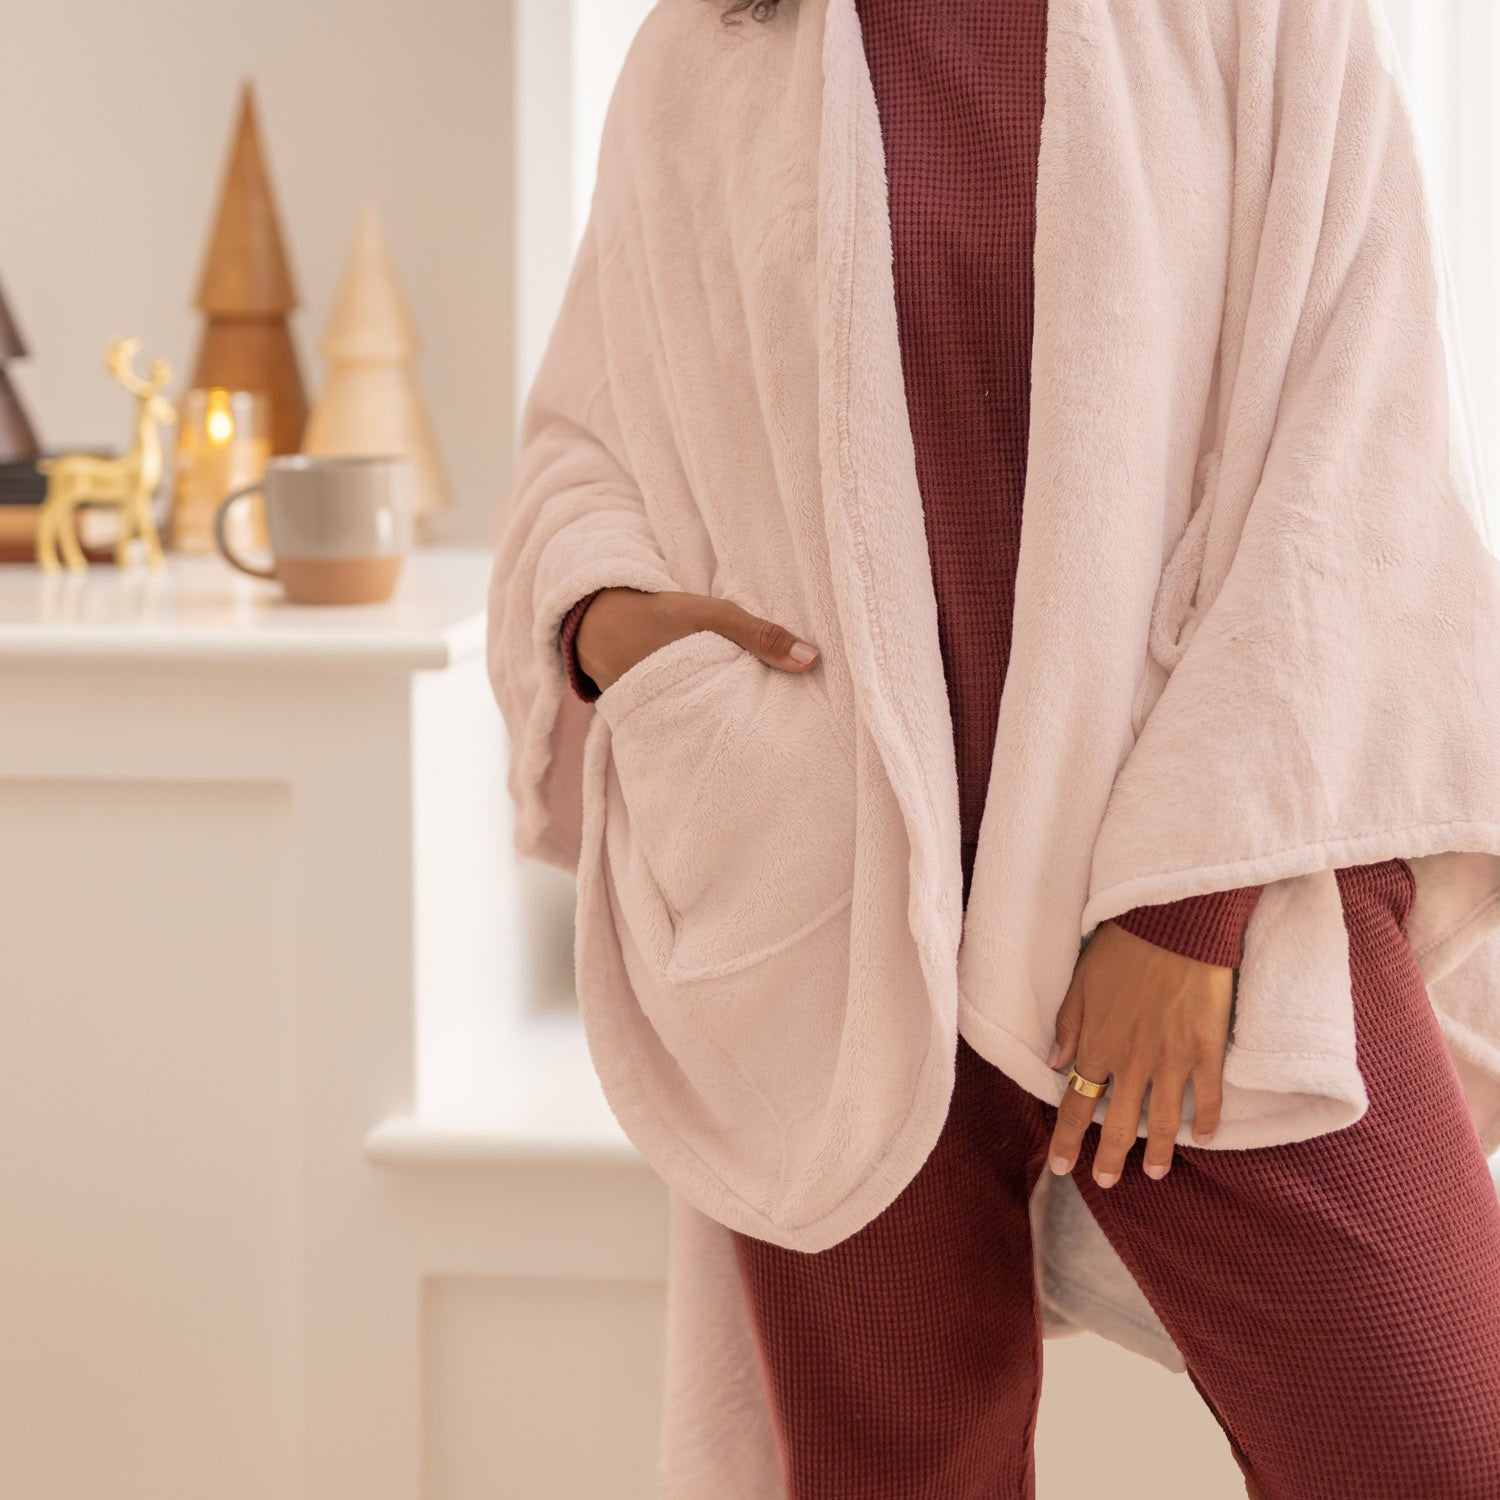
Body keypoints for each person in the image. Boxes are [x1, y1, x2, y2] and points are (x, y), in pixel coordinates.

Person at [492, 0, 1500, 1494]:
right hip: (824, 920)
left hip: (1203, 917)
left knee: (1439, 1449)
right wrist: (612, 628)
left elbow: (1350, 449)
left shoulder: (1258, 20)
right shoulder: (707, 48)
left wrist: (1186, 905)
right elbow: (589, 436)